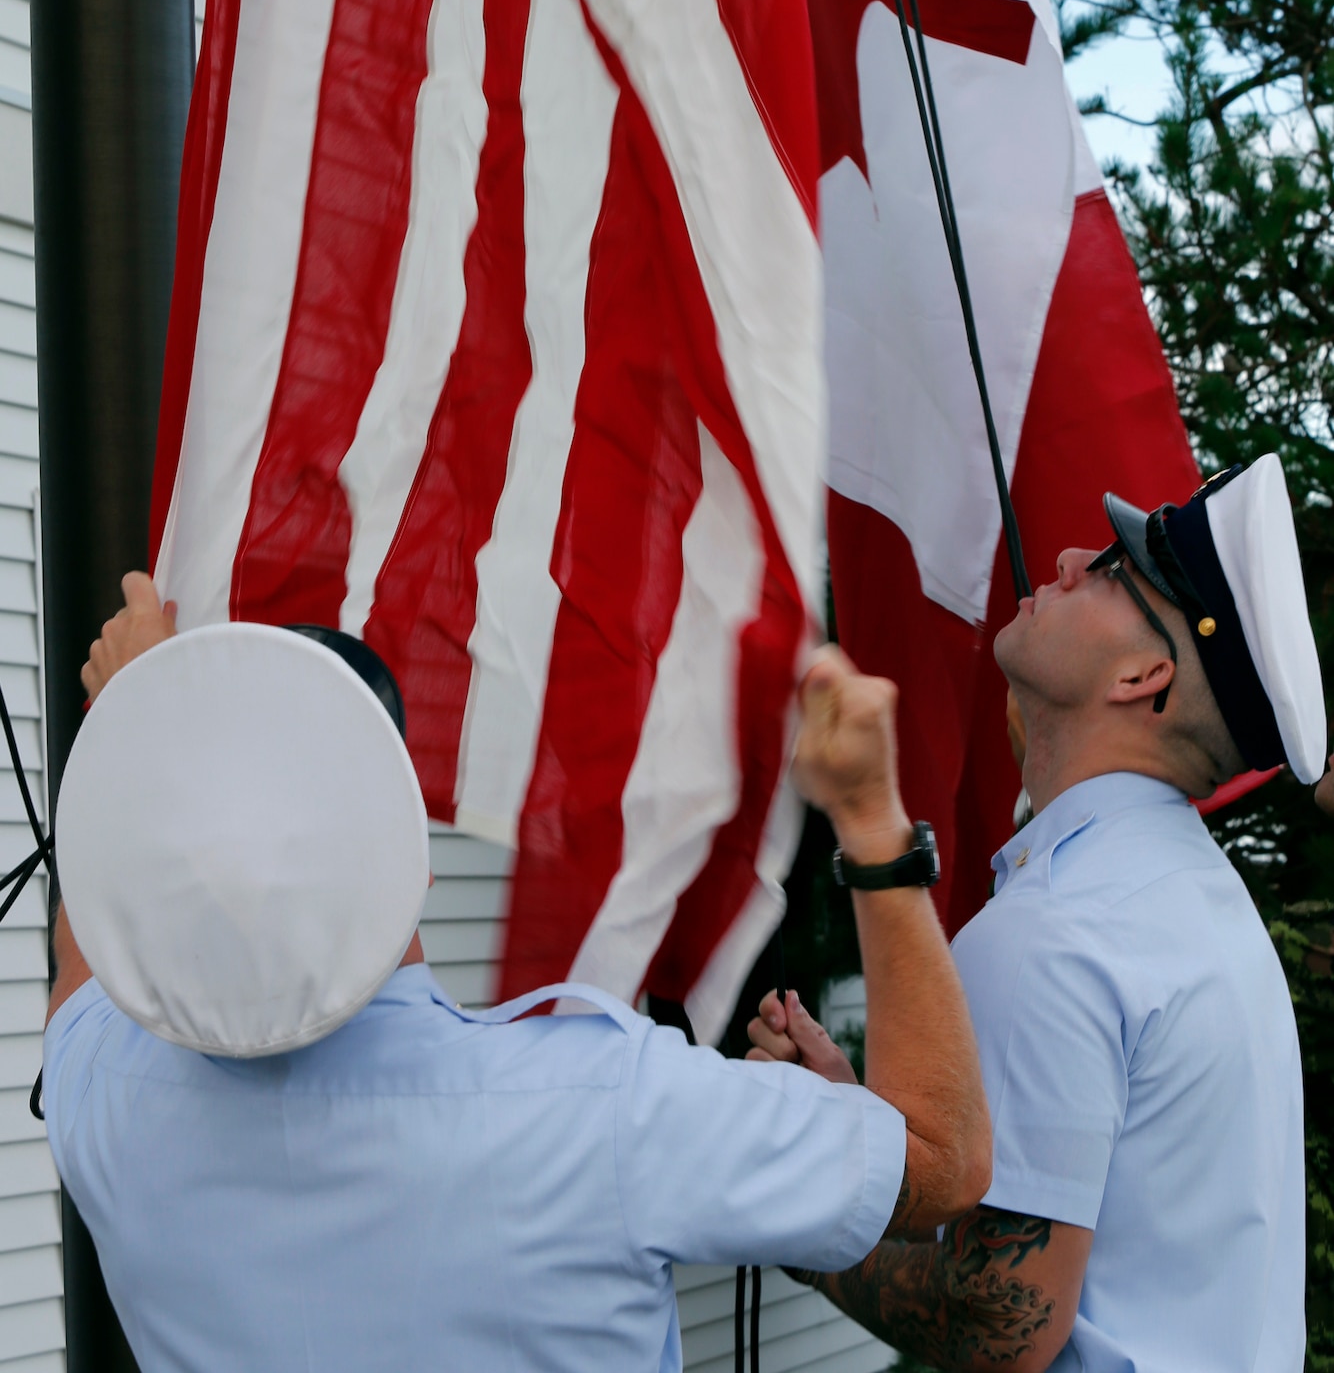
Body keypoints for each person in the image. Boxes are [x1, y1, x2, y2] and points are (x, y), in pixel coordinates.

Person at [43, 573, 990, 1373]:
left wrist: (141, 719)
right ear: (410, 853)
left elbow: (93, 933)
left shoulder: (107, 1098)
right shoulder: (606, 1108)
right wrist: (870, 818)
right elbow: (942, 1166)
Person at [749, 453, 1324, 1372]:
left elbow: (1000, 1319)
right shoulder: (1191, 896)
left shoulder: (1058, 929)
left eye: (1108, 571)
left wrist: (807, 1212)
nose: (1061, 558)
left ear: (1142, 675)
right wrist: (859, 1125)